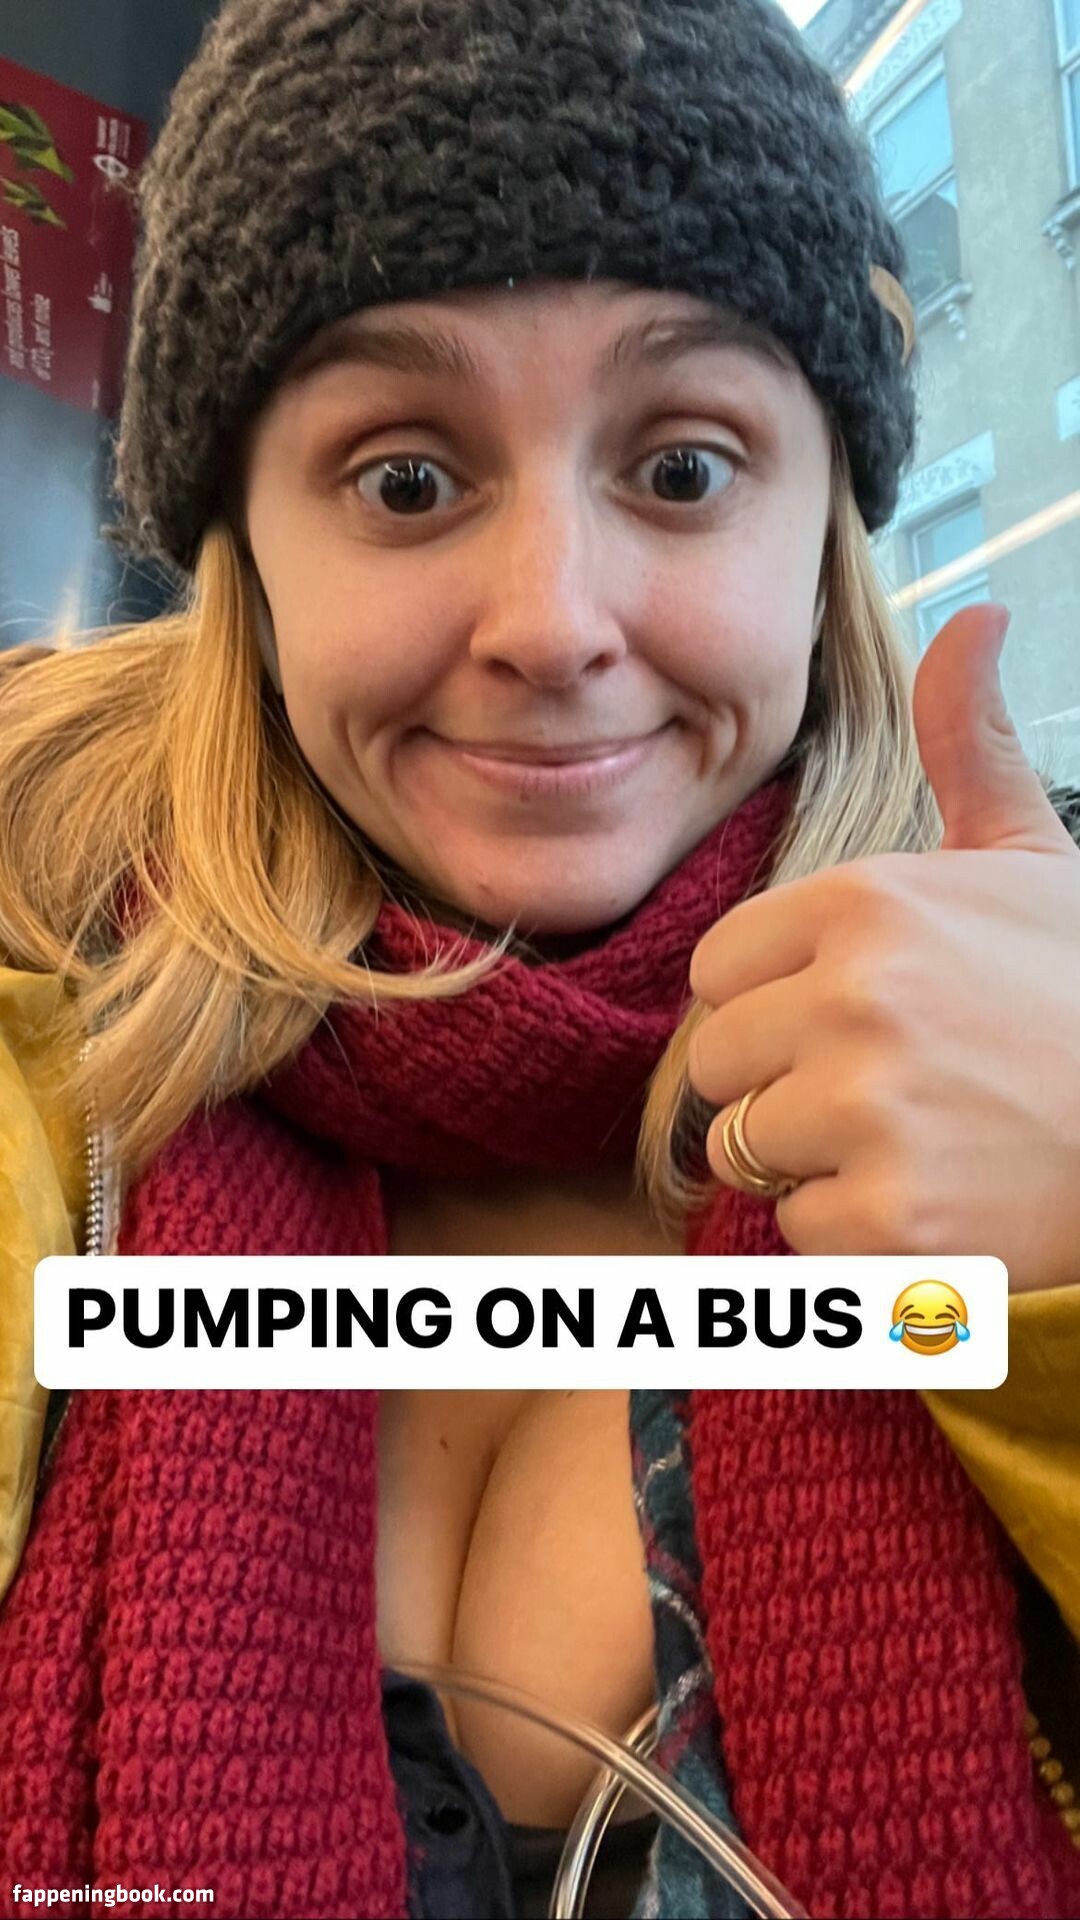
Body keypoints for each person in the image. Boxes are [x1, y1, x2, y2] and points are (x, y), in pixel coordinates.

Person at [1, 0, 1079, 1915]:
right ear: (244, 553)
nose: (552, 624)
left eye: (683, 468)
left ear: (821, 526)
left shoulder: (1038, 1037)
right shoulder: (38, 1052)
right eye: (406, 479)